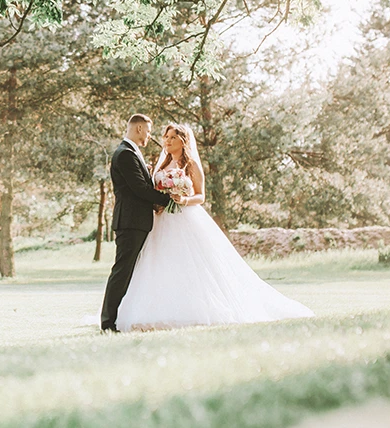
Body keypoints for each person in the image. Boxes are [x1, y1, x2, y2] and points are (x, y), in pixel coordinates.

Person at [116, 123, 314, 331]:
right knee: (159, 263)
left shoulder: (191, 165)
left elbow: (200, 196)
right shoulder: (162, 163)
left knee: (190, 264)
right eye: (166, 137)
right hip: (162, 220)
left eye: (173, 137)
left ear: (183, 141)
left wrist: (183, 199)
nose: (167, 140)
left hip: (184, 218)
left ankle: (191, 310)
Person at [100, 114, 175, 332]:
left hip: (137, 221)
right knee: (122, 271)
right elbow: (140, 188)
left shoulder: (131, 152)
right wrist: (168, 200)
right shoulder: (125, 154)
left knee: (129, 271)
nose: (149, 136)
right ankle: (107, 322)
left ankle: (121, 316)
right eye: (149, 131)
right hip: (130, 222)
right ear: (139, 128)